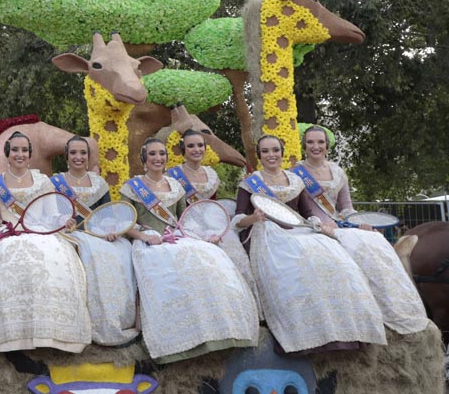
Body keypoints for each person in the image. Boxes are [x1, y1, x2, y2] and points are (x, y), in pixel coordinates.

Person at [233, 135, 386, 353]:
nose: (271, 155)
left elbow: (306, 214)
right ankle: (303, 333)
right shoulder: (250, 183)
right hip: (266, 232)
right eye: (265, 151)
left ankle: (345, 330)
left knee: (330, 255)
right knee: (297, 261)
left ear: (282, 152)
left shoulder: (296, 181)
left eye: (275, 150)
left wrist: (317, 225)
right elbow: (237, 219)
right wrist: (253, 218)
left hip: (298, 231)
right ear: (259, 156)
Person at [120, 138, 258, 362]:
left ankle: (217, 327)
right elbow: (126, 222)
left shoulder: (175, 187)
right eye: (152, 154)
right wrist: (144, 236)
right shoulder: (132, 188)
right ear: (144, 159)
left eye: (162, 154)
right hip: (149, 241)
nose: (158, 158)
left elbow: (185, 219)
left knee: (209, 256)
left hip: (177, 237)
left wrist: (201, 237)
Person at [0, 131, 90, 352]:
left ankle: (52, 333)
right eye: (15, 150)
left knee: (54, 256)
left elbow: (53, 215)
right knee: (8, 259)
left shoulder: (42, 181)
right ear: (8, 154)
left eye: (24, 150)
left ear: (30, 154)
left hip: (42, 232)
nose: (20, 154)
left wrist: (64, 221)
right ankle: (13, 335)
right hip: (10, 234)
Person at [297, 125, 426, 336]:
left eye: (320, 142)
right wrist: (321, 223)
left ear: (327, 146)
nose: (315, 146)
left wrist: (359, 222)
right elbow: (295, 209)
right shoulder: (295, 173)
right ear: (304, 145)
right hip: (313, 226)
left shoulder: (338, 172)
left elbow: (346, 207)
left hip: (339, 225)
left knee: (375, 241)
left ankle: (391, 303)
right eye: (310, 142)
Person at [52, 136, 137, 346]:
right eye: (73, 153)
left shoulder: (99, 184)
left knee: (121, 251)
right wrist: (62, 220)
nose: (78, 157)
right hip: (68, 234)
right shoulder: (55, 182)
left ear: (89, 157)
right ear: (66, 157)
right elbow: (50, 212)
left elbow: (106, 214)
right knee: (92, 254)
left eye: (83, 153)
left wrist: (110, 228)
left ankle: (117, 320)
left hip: (97, 234)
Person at [168, 129, 255, 293]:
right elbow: (174, 208)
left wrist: (216, 230)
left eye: (200, 145)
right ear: (183, 150)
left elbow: (213, 205)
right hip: (187, 226)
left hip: (214, 223)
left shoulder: (211, 174)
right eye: (191, 146)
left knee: (236, 257)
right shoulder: (173, 176)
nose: (196, 149)